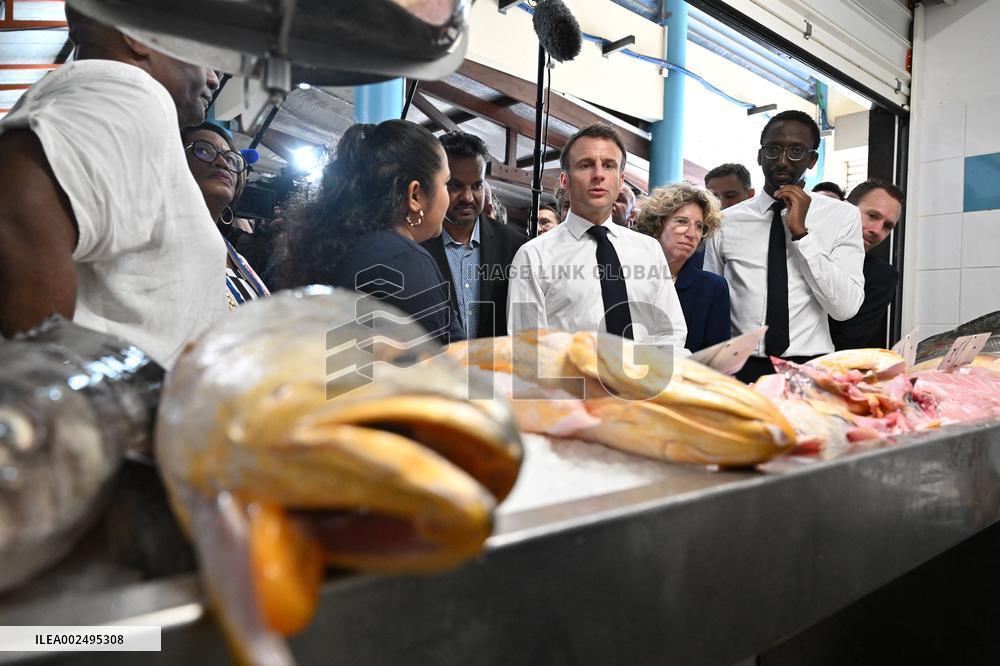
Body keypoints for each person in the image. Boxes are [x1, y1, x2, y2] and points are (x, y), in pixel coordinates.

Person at [0, 6, 226, 367]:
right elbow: (17, 209)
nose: (214, 79)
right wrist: (65, 403)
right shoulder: (128, 91)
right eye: (205, 55)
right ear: (138, 37)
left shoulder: (132, 103)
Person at [704, 110, 864, 383]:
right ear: (759, 155)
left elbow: (845, 308)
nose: (781, 161)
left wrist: (802, 234)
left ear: (812, 159)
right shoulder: (727, 221)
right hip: (738, 365)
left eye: (796, 151)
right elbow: (711, 298)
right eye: (773, 150)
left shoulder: (842, 217)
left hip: (811, 365)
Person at [508, 124, 688, 351]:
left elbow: (668, 333)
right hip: (570, 385)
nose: (599, 175)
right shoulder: (534, 256)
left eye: (609, 165)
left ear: (621, 180)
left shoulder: (649, 250)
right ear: (565, 181)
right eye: (585, 165)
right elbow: (527, 348)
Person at [287, 119, 465, 344]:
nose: (448, 195)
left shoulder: (340, 248)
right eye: (446, 183)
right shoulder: (404, 261)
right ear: (415, 196)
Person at [420, 130, 526, 339]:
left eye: (476, 186)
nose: (468, 197)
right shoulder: (418, 243)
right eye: (455, 186)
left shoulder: (515, 245)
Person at [181, 123, 269, 308]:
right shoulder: (154, 244)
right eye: (204, 151)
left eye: (231, 159)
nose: (222, 163)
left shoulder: (239, 260)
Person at [635, 183, 730, 353]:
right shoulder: (629, 274)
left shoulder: (712, 287)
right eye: (681, 221)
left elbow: (716, 357)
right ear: (657, 224)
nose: (692, 234)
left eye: (699, 226)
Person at [829, 179, 904, 350]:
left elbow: (846, 344)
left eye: (887, 226)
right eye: (872, 216)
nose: (876, 231)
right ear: (845, 208)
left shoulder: (881, 277)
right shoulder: (800, 245)